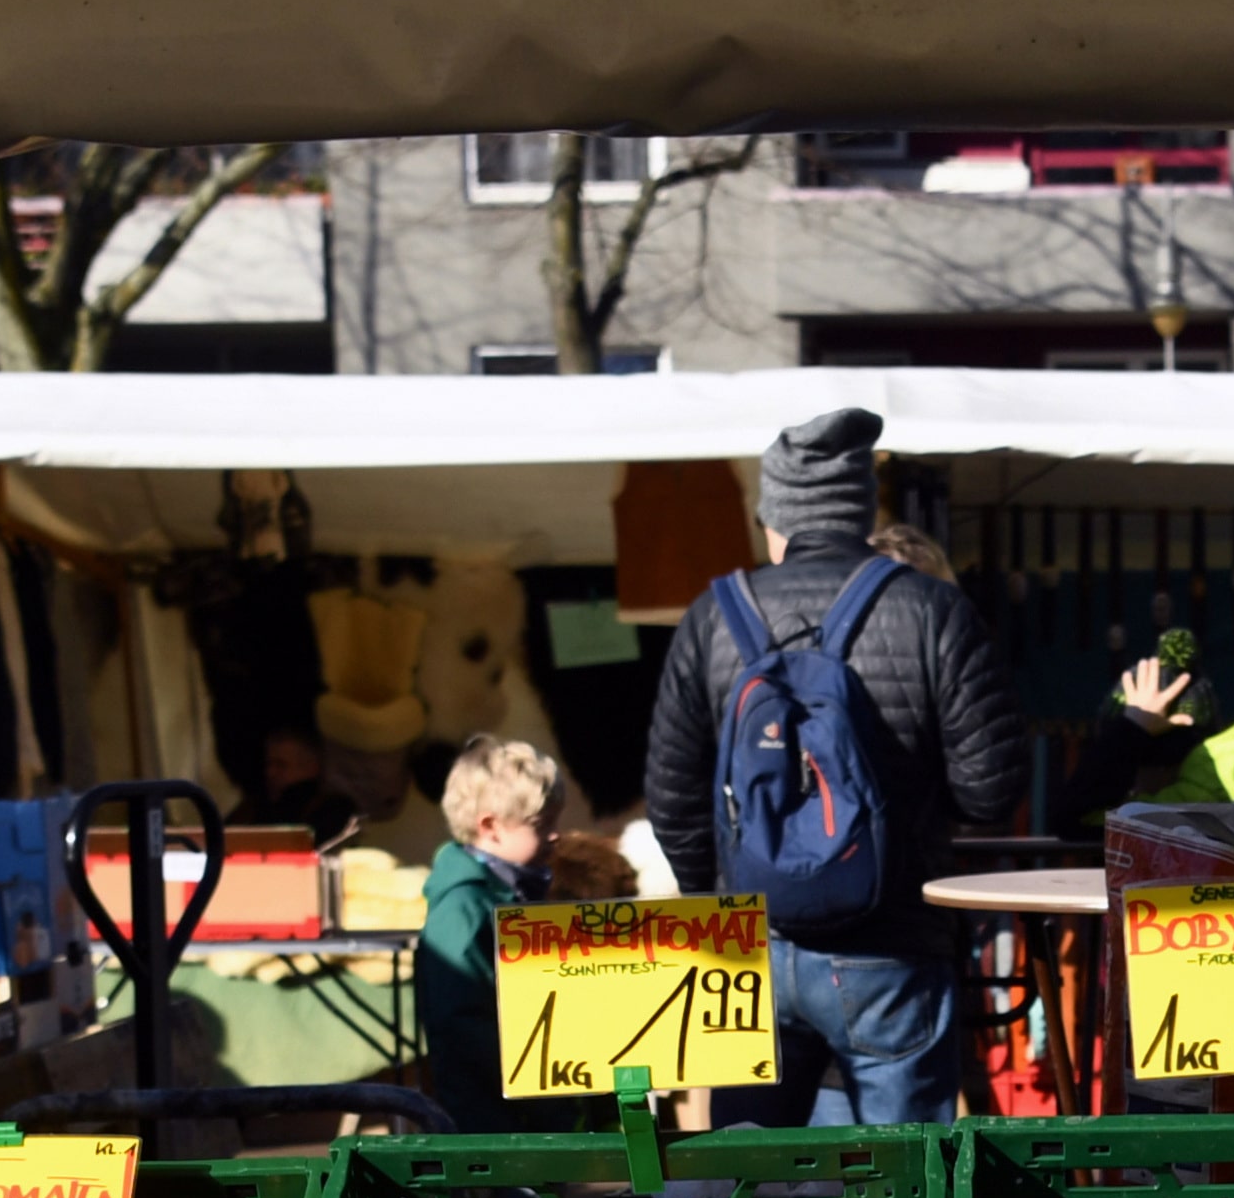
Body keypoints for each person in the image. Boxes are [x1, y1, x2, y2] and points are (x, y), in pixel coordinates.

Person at [642, 407, 1025, 1122]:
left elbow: (671, 796)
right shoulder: (932, 609)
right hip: (892, 947)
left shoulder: (712, 616)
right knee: (905, 1184)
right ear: (859, 508)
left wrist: (726, 897)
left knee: (750, 1177)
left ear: (772, 516)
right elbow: (989, 790)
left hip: (750, 943)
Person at [409, 735, 609, 1134]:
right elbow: (462, 1025)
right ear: (491, 827)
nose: (556, 834)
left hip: (531, 1110)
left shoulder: (514, 893)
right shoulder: (463, 910)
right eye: (542, 823)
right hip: (497, 1121)